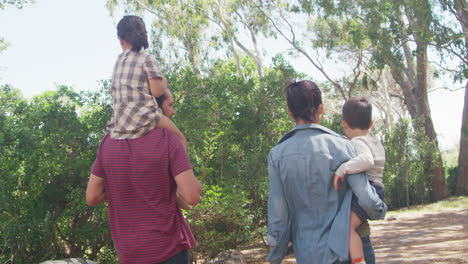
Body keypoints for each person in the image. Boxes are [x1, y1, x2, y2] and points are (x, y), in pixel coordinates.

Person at [266, 80, 387, 264]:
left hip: (309, 253)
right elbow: (365, 196)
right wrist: (379, 210)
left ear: (290, 112)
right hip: (349, 250)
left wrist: (275, 252)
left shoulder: (277, 155)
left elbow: (278, 211)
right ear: (321, 108)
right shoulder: (344, 146)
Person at [86, 124, 202, 263]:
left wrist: (123, 189)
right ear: (155, 109)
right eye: (170, 105)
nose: (173, 111)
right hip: (167, 249)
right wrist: (181, 139)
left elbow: (92, 197)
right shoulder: (167, 139)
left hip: (129, 253)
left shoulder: (108, 143)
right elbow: (192, 196)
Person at [106, 15, 187, 151]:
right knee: (180, 138)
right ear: (145, 35)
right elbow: (156, 91)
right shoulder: (146, 58)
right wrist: (164, 82)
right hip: (144, 116)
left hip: (120, 122)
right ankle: (182, 168)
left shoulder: (118, 61)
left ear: (120, 39)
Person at [333, 97, 385, 264]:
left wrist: (343, 168)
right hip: (376, 188)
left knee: (347, 228)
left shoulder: (358, 142)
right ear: (370, 124)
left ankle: (358, 260)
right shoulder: (374, 141)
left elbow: (367, 160)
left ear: (344, 124)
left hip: (368, 188)